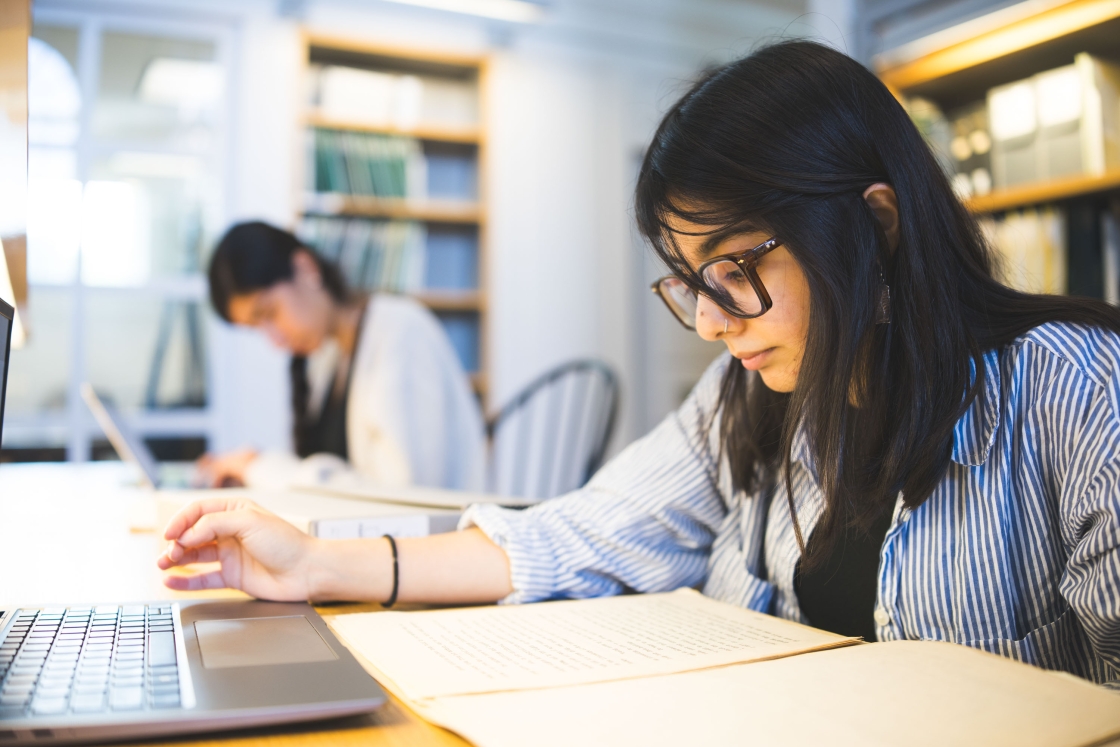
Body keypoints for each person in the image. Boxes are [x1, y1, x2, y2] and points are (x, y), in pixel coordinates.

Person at [159, 42, 1120, 686]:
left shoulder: (1074, 389)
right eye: (692, 280)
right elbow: (582, 530)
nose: (709, 322)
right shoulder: (747, 394)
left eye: (737, 269)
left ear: (874, 223)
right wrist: (320, 561)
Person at [197, 221, 486, 492]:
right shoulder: (328, 359)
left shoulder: (399, 332)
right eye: (257, 328)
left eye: (269, 313)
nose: (275, 340)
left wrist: (261, 467)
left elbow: (403, 496)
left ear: (305, 267)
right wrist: (254, 473)